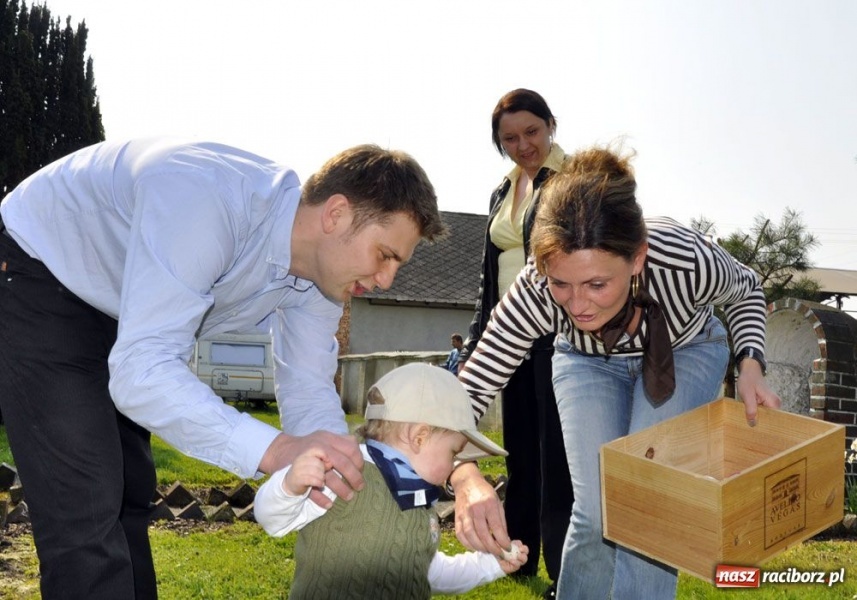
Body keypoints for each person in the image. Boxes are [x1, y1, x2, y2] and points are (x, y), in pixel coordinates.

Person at [0, 138, 445, 599]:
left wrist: (336, 477)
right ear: (336, 214)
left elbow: (309, 385)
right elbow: (141, 371)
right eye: (385, 255)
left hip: (122, 309)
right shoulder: (206, 203)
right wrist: (273, 449)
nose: (386, 280)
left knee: (129, 493)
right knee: (86, 506)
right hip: (41, 272)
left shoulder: (321, 281)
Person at [450, 144, 781, 599]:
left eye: (597, 284)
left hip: (685, 351)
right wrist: (464, 473)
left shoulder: (685, 261)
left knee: (647, 500)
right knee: (596, 509)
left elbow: (747, 292)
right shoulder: (536, 291)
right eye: (562, 284)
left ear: (637, 258)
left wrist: (750, 362)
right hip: (586, 362)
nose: (579, 304)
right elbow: (473, 385)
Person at [254, 362, 529, 599]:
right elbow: (272, 519)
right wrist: (288, 486)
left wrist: (489, 566)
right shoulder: (344, 471)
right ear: (419, 437)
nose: (453, 465)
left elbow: (427, 573)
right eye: (453, 452)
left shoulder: (420, 501)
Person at [457, 88, 573, 594]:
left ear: (551, 124)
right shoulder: (502, 191)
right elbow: (490, 272)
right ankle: (518, 555)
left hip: (556, 334)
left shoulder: (573, 181)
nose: (523, 144)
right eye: (509, 137)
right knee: (520, 452)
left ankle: (564, 569)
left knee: (559, 459)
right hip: (509, 340)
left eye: (531, 131)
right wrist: (481, 334)